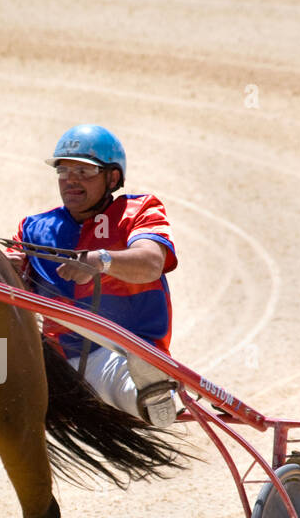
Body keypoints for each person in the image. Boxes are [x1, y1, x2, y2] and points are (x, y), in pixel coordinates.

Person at [11, 124, 179, 427]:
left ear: (112, 178)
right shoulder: (33, 227)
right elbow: (12, 281)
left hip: (124, 350)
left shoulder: (139, 210)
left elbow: (152, 262)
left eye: (84, 171)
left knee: (120, 377)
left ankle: (151, 391)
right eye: (64, 171)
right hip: (55, 362)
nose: (70, 180)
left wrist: (99, 261)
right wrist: (6, 266)